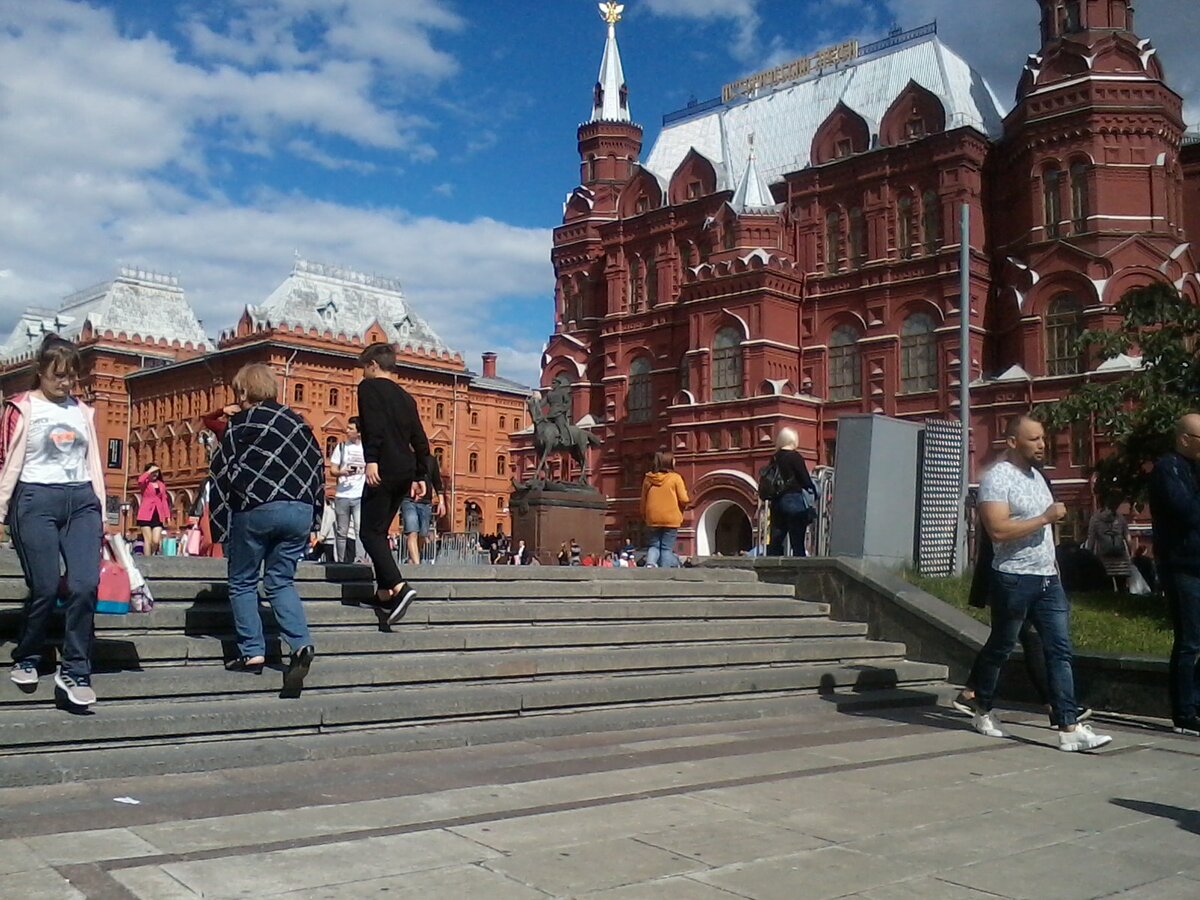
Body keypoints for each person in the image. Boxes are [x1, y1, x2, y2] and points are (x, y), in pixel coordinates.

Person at [961, 414, 1111, 752]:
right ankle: (981, 706)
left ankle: (1069, 728)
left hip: (1047, 579)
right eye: (1034, 440)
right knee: (1001, 646)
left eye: (1043, 439)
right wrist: (1044, 517)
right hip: (1013, 578)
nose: (1043, 445)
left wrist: (1053, 562)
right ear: (1013, 442)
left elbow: (1047, 531)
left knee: (1060, 650)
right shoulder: (997, 478)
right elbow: (997, 530)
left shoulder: (1039, 477)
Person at [1, 336, 107, 707]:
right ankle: (28, 654)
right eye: (58, 376)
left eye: (71, 377)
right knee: (45, 585)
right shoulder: (20, 408)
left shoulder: (83, 411)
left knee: (84, 584)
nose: (66, 384)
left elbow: (92, 460)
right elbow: (4, 460)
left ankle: (76, 668)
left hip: (81, 501)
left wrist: (100, 506)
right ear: (41, 373)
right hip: (34, 499)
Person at [210, 363, 323, 698]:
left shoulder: (241, 423)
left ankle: (252, 651)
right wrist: (314, 515)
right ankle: (301, 645)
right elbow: (317, 466)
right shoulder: (298, 423)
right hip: (300, 509)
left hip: (257, 507)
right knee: (280, 580)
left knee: (243, 580)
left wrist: (222, 525)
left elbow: (222, 472)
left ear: (243, 392)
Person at [356, 342, 429, 624]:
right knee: (381, 528)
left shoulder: (369, 389)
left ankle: (399, 587)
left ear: (373, 365)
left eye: (365, 368)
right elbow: (420, 438)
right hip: (405, 470)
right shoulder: (406, 397)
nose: (363, 374)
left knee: (369, 532)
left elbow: (372, 425)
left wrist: (371, 458)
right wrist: (421, 475)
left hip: (384, 466)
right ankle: (384, 593)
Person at [1149, 414, 1200, 735]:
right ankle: (1184, 712)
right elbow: (1186, 512)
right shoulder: (1169, 469)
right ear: (1184, 439)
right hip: (1182, 567)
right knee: (1190, 642)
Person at [766, 428, 817, 557]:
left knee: (776, 539)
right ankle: (798, 571)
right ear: (794, 440)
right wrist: (813, 489)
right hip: (793, 500)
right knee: (797, 540)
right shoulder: (795, 457)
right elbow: (805, 479)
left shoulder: (774, 458)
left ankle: (771, 569)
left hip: (777, 502)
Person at [641, 450, 689, 568]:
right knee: (666, 548)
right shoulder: (675, 478)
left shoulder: (648, 479)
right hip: (671, 519)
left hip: (652, 518)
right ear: (669, 462)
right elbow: (683, 499)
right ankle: (665, 570)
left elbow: (643, 500)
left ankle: (650, 564)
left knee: (654, 546)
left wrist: (645, 516)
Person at [329, 417, 366, 564]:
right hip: (342, 494)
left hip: (360, 494)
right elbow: (332, 469)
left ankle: (360, 559)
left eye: (351, 429)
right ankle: (342, 561)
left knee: (359, 529)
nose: (347, 431)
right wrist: (342, 472)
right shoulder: (342, 447)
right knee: (341, 531)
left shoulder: (366, 449)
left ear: (358, 432)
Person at [402, 452, 445, 565]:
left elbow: (437, 481)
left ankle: (413, 558)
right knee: (412, 532)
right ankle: (417, 565)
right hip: (408, 499)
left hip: (425, 502)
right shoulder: (405, 456)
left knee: (423, 533)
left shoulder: (431, 460)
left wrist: (441, 502)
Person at [1085, 504, 1134, 591]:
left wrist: (1088, 555)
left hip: (1103, 559)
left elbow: (1091, 539)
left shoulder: (1095, 519)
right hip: (1121, 560)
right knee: (1122, 586)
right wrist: (1131, 553)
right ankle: (1123, 602)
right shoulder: (1121, 518)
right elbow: (1127, 537)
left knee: (1106, 587)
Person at [136, 462, 170, 556]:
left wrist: (167, 516)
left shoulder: (161, 485)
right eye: (153, 472)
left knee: (155, 541)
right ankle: (147, 560)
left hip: (158, 514)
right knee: (148, 540)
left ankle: (150, 555)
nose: (155, 474)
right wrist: (149, 471)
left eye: (157, 472)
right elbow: (140, 480)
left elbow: (164, 500)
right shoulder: (145, 483)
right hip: (145, 514)